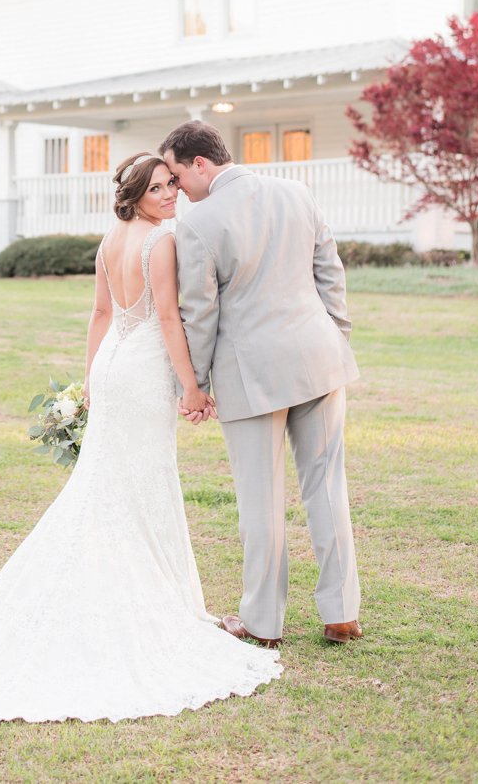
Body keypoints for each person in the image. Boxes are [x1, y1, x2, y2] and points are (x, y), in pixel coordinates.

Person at [0, 153, 282, 722]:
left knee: (110, 482)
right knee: (142, 480)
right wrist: (193, 389)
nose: (171, 193)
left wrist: (93, 375)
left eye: (172, 183)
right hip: (144, 370)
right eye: (159, 188)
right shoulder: (163, 243)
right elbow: (170, 319)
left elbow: (100, 313)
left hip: (113, 367)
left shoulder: (108, 242)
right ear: (136, 197)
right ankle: (141, 603)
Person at [160, 121, 362, 648]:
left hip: (251, 373)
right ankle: (341, 613)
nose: (177, 189)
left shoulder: (198, 223)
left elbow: (200, 313)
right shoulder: (297, 192)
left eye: (178, 176)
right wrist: (334, 336)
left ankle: (262, 622)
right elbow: (330, 273)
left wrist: (196, 384)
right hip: (318, 359)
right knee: (327, 485)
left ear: (199, 163)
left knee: (261, 499)